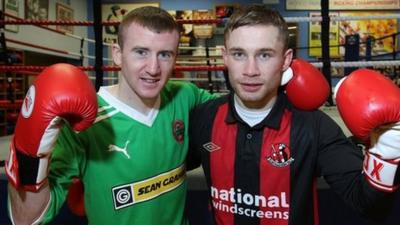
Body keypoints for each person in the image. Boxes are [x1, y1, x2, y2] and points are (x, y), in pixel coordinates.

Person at [188, 5, 400, 225]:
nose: (250, 70)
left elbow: (369, 206)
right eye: (239, 54)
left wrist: (386, 155)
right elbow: (167, 165)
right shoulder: (205, 117)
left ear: (286, 59)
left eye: (264, 55)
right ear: (225, 56)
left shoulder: (314, 126)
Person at [6, 6, 214, 225]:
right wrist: (28, 152)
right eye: (141, 52)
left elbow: (232, 108)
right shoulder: (84, 123)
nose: (153, 68)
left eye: (164, 54)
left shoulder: (184, 95)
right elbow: (24, 219)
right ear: (117, 54)